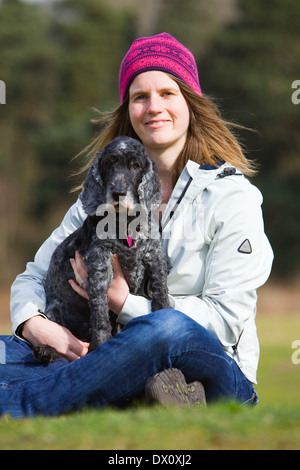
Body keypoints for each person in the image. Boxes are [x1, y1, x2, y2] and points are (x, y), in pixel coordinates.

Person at [1, 33, 273, 418]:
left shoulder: (231, 197)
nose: (153, 107)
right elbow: (32, 277)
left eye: (167, 93)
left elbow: (226, 320)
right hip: (106, 350)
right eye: (139, 96)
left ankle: (22, 402)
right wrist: (37, 325)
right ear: (128, 109)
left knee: (163, 330)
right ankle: (135, 394)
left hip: (214, 368)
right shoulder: (102, 192)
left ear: (190, 102)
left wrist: (123, 303)